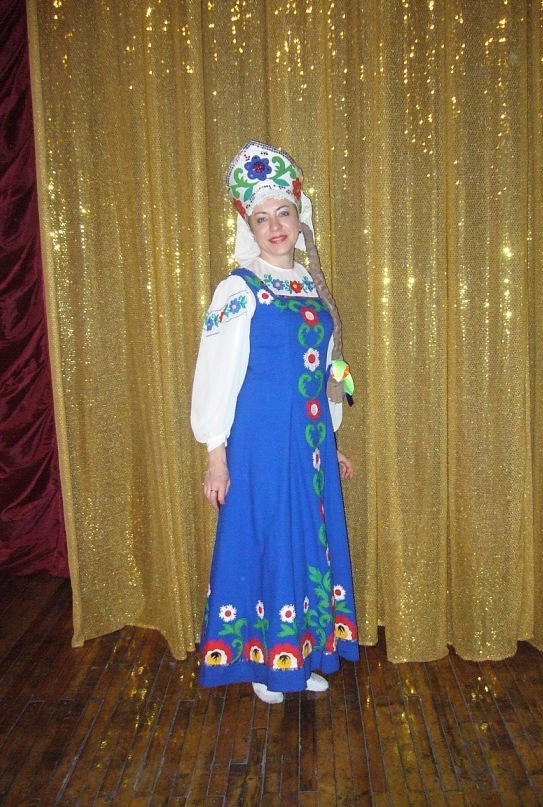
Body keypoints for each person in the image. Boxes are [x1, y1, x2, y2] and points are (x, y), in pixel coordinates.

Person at [191, 140, 359, 704]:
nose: (275, 226)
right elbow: (216, 373)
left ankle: (299, 654)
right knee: (265, 540)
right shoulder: (238, 289)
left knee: (304, 543)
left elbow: (322, 370)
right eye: (261, 218)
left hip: (307, 445)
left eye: (282, 212)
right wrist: (216, 455)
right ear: (250, 227)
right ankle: (266, 663)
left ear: (298, 216)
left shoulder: (311, 285)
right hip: (260, 442)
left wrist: (330, 439)